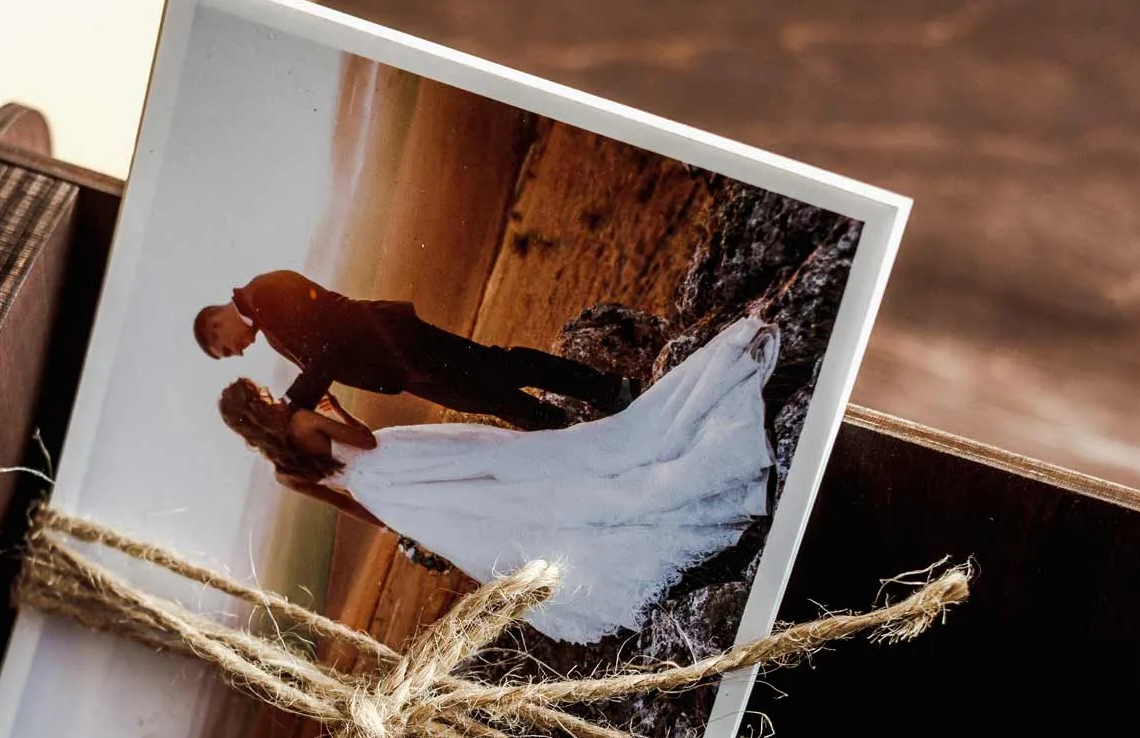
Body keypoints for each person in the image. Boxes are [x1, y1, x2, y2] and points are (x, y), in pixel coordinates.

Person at [217, 315, 780, 645]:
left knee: (489, 519)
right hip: (393, 462)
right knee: (502, 468)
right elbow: (361, 442)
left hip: (392, 502)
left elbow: (351, 508)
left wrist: (404, 530)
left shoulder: (284, 471)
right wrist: (337, 408)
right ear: (257, 401)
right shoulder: (301, 419)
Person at [194, 269, 634, 432]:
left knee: (499, 367)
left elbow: (326, 349)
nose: (237, 353)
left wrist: (294, 403)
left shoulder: (266, 291)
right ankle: (564, 428)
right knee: (488, 397)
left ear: (216, 324)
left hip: (398, 342)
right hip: (400, 367)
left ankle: (609, 391)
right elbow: (321, 357)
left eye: (226, 349)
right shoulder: (266, 324)